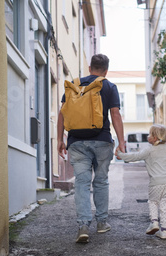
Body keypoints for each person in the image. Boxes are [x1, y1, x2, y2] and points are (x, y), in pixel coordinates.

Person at [57, 54, 125, 243]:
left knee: (81, 182)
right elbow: (115, 114)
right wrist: (121, 141)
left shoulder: (74, 85)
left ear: (89, 68)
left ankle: (83, 226)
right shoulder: (109, 86)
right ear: (106, 70)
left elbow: (63, 114)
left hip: (77, 142)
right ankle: (102, 223)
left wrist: (60, 140)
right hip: (102, 140)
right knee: (101, 181)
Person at [115, 124, 166, 240]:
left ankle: (154, 222)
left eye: (150, 134)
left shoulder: (149, 150)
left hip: (156, 184)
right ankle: (164, 231)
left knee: (153, 202)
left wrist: (120, 155)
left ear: (155, 138)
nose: (148, 136)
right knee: (165, 207)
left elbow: (134, 157)